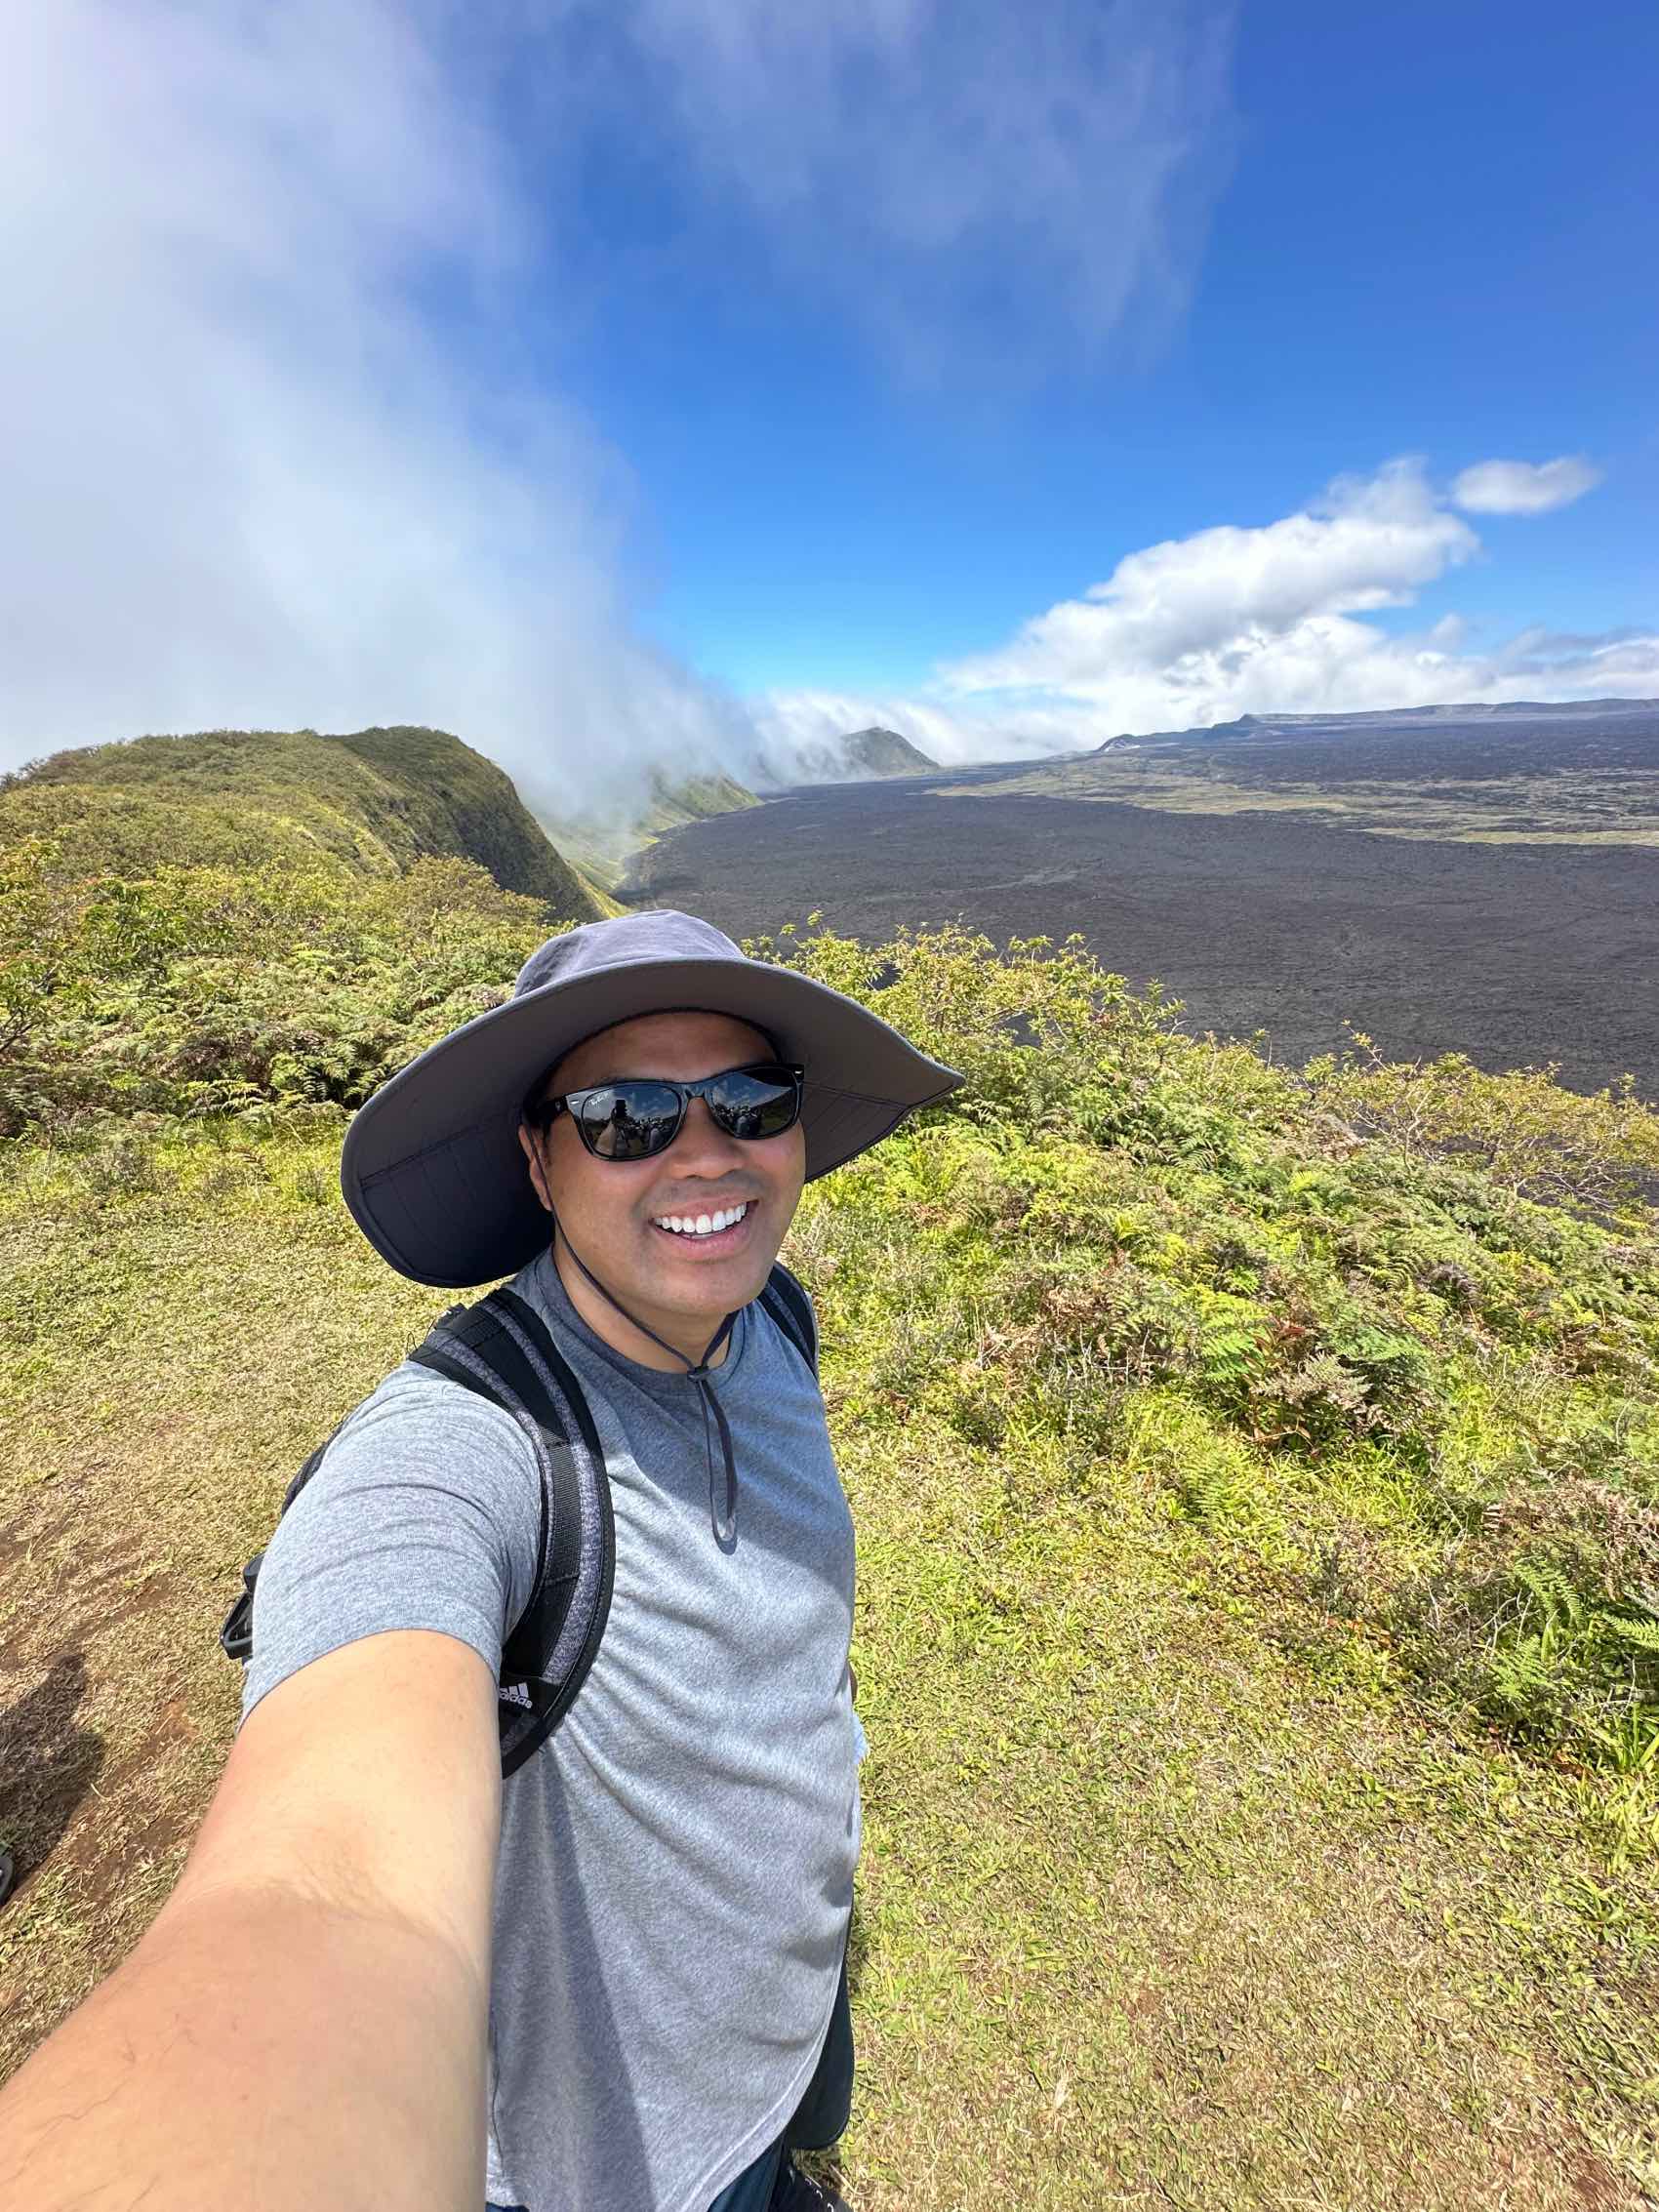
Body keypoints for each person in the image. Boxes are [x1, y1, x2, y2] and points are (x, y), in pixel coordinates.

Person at [0, 909, 962, 2212]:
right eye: (627, 1114)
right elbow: (325, 1894)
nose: (703, 1156)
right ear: (538, 1159)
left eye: (750, 1098)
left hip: (783, 1998)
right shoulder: (464, 1451)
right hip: (616, 2162)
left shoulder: (770, 1314)